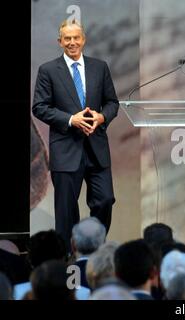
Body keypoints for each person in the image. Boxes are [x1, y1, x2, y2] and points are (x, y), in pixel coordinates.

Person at [32, 19, 119, 250]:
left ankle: (93, 246)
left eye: (76, 38)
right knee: (66, 213)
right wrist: (71, 120)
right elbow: (39, 107)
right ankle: (68, 259)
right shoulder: (48, 70)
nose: (72, 42)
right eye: (67, 39)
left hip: (97, 148)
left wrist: (102, 117)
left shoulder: (100, 67)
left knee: (105, 200)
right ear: (60, 42)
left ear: (84, 39)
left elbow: (112, 103)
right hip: (66, 149)